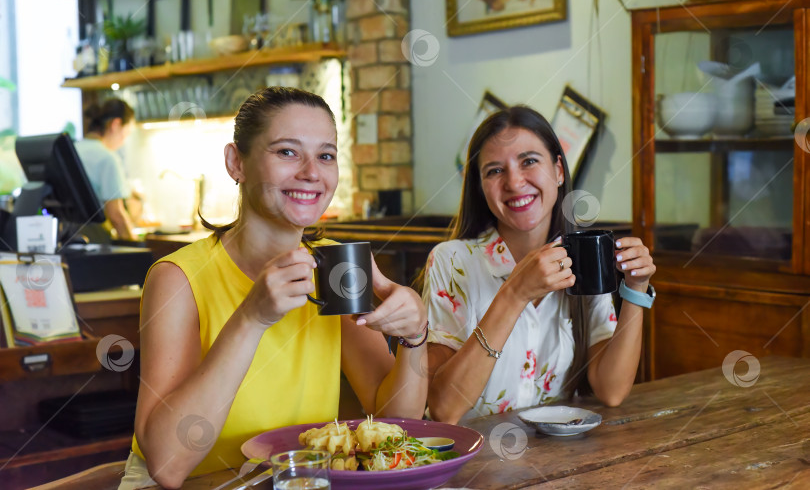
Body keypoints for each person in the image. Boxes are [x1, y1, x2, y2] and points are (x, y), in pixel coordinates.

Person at [119, 87, 428, 489]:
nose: (311, 172)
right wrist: (252, 317)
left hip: (293, 481)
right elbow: (168, 464)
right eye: (287, 152)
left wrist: (415, 335)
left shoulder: (335, 266)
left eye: (326, 155)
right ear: (236, 163)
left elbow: (393, 423)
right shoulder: (177, 276)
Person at [423, 106, 655, 424]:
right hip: (472, 466)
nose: (515, 183)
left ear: (559, 171)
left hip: (560, 464)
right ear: (480, 187)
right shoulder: (452, 261)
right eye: (494, 170)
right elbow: (444, 408)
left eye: (529, 161)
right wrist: (516, 292)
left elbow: (611, 391)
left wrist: (636, 291)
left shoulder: (583, 256)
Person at [75, 99, 138, 241]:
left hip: (69, 241)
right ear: (116, 125)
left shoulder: (73, 149)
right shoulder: (107, 158)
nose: (124, 141)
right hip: (96, 241)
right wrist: (136, 246)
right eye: (126, 133)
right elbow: (116, 215)